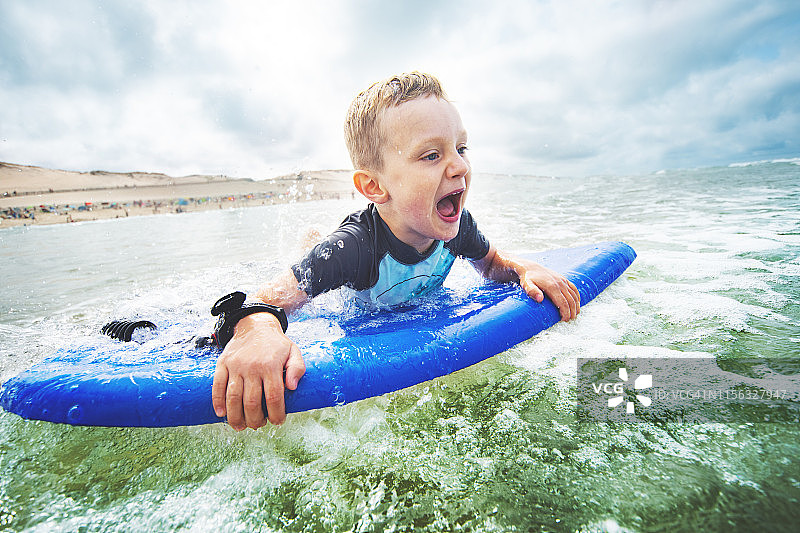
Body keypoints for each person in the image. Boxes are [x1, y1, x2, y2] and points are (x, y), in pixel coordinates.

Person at [211, 72, 581, 431]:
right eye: (432, 155)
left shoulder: (456, 226)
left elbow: (492, 265)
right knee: (316, 261)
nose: (461, 166)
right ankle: (311, 242)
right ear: (374, 186)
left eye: (461, 148)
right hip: (353, 290)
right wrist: (257, 332)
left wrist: (524, 269)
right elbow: (263, 301)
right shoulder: (352, 249)